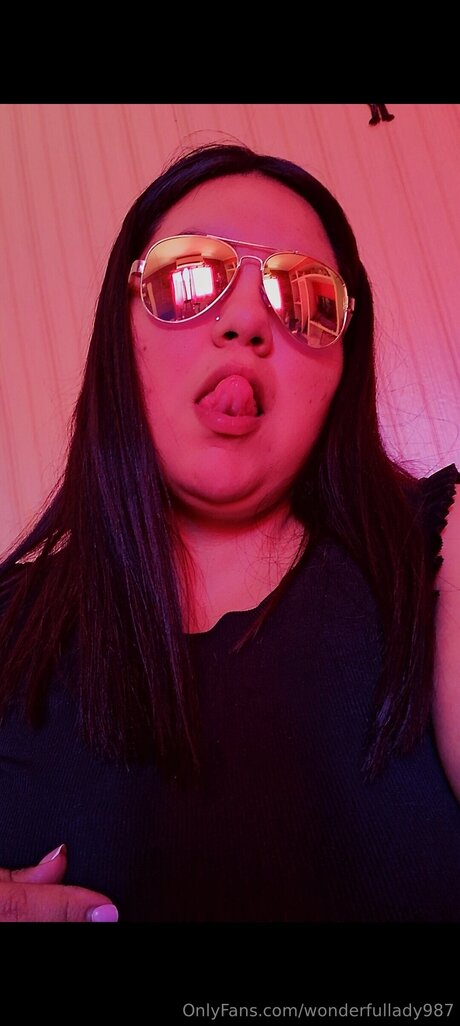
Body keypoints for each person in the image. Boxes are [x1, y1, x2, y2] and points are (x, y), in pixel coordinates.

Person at [0, 141, 459, 924]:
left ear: (343, 368)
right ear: (119, 332)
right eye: (189, 276)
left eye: (306, 299)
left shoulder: (440, 552)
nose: (246, 321)